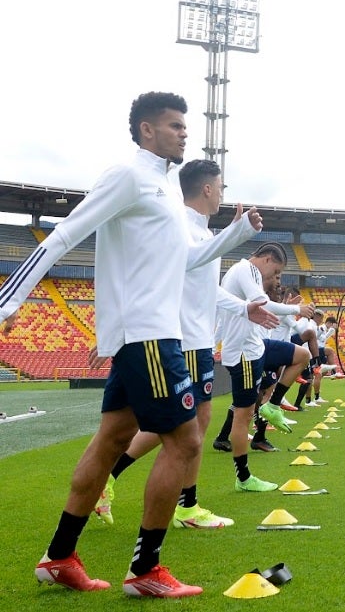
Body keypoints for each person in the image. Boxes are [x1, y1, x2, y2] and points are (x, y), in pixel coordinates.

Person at [0, 92, 263, 597]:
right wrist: (7, 305)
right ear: (146, 130)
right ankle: (144, 571)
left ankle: (59, 557)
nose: (184, 132)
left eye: (185, 125)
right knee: (185, 442)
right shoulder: (127, 175)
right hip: (147, 335)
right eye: (173, 125)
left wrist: (234, 234)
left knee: (112, 440)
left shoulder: (163, 187)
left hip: (146, 333)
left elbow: (183, 262)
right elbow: (64, 234)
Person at [94, 158, 276, 530]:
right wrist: (235, 234)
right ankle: (184, 506)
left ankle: (122, 484)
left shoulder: (204, 234)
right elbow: (187, 265)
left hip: (196, 339)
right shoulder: (180, 227)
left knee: (177, 425)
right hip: (184, 340)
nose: (223, 193)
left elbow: (207, 290)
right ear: (207, 189)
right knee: (184, 427)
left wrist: (243, 308)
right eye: (221, 187)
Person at [219, 242, 314, 492]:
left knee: (302, 355)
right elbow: (263, 303)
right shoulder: (245, 270)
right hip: (243, 354)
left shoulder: (242, 272)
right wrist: (298, 309)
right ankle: (243, 478)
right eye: (275, 273)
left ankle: (272, 406)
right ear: (268, 259)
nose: (275, 278)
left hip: (257, 345)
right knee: (244, 415)